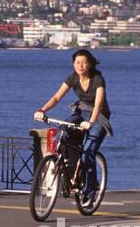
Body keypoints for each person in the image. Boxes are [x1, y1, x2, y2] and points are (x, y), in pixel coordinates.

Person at [34, 48, 112, 202]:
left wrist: (90, 123)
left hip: (99, 116)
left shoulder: (98, 79)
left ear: (90, 64)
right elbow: (56, 97)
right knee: (65, 130)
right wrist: (42, 110)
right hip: (81, 112)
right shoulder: (73, 78)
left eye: (83, 62)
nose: (80, 65)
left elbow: (98, 105)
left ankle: (89, 189)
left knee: (88, 152)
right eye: (77, 62)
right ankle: (72, 172)